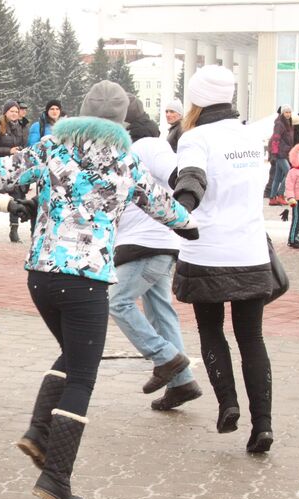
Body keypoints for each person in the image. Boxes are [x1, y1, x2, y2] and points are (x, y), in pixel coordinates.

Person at [0, 80, 198, 499]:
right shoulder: (126, 161)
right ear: (121, 121)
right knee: (83, 377)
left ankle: (38, 434)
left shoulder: (51, 149)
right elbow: (165, 207)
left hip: (41, 277)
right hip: (86, 282)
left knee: (73, 354)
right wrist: (189, 224)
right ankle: (56, 475)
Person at [172, 65, 274, 454]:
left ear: (197, 99)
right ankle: (263, 425)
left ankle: (227, 405)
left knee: (212, 330)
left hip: (207, 250)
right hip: (250, 250)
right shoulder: (250, 136)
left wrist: (182, 210)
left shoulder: (195, 137)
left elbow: (192, 180)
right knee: (252, 336)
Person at [110, 107, 202, 411]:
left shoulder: (147, 145)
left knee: (117, 301)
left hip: (147, 245)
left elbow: (177, 173)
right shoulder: (137, 147)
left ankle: (166, 357)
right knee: (160, 313)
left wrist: (181, 206)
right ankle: (182, 383)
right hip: (156, 242)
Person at [0, 100, 27, 243]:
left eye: (16, 111)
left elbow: (22, 144)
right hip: (0, 168)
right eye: (12, 111)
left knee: (16, 198)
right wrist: (9, 151)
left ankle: (14, 232)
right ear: (5, 112)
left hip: (15, 168)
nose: (15, 114)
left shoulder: (20, 127)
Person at [269, 105, 294, 205]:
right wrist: (274, 153)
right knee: (289, 173)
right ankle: (280, 195)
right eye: (286, 112)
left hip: (285, 152)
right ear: (282, 113)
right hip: (280, 153)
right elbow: (276, 138)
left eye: (289, 112)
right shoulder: (280, 123)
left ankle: (272, 198)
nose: (288, 114)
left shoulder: (288, 122)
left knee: (277, 176)